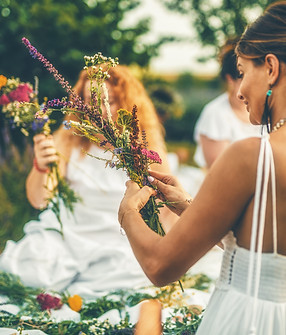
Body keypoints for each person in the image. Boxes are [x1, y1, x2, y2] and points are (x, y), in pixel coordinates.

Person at [118, 2, 286, 333]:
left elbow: (159, 265)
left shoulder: (251, 156)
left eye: (242, 71)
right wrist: (188, 207)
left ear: (270, 67)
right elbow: (266, 249)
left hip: (248, 319)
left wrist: (127, 211)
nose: (238, 91)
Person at [0, 64, 173, 299]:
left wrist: (163, 249)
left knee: (127, 285)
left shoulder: (147, 150)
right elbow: (39, 200)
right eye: (89, 103)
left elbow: (166, 213)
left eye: (108, 102)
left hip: (120, 240)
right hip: (67, 235)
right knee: (26, 271)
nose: (98, 112)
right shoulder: (67, 139)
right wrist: (41, 166)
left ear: (127, 103)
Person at [193, 37, 261, 169]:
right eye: (243, 75)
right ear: (230, 79)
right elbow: (218, 169)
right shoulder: (215, 114)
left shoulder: (267, 109)